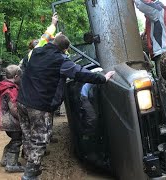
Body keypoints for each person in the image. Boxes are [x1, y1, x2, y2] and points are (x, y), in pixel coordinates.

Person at [17, 14, 115, 180]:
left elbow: (44, 37)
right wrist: (103, 78)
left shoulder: (36, 51)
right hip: (39, 106)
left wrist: (53, 24)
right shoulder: (60, 60)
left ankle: (31, 165)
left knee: (28, 135)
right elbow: (80, 73)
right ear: (64, 49)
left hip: (22, 102)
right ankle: (30, 175)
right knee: (40, 139)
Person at [0, 65, 25, 172]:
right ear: (16, 76)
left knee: (13, 140)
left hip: (2, 119)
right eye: (20, 76)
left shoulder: (2, 86)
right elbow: (14, 109)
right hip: (11, 121)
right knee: (17, 141)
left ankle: (5, 160)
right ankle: (11, 164)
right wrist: (23, 119)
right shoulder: (11, 89)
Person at [134, 0, 166, 84]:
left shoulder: (157, 8)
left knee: (164, 85)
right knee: (164, 84)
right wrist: (146, 30)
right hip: (163, 53)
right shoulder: (157, 12)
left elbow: (141, 4)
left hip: (163, 53)